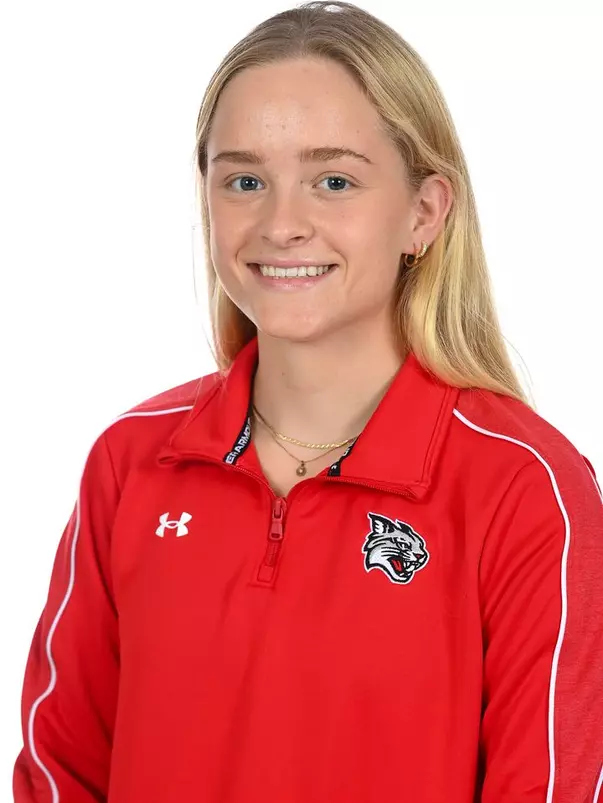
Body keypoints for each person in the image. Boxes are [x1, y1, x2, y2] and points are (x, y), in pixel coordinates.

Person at [13, 2, 603, 801]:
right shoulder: (130, 461)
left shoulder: (524, 487)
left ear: (423, 214)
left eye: (333, 180)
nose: (281, 223)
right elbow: (60, 769)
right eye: (245, 180)